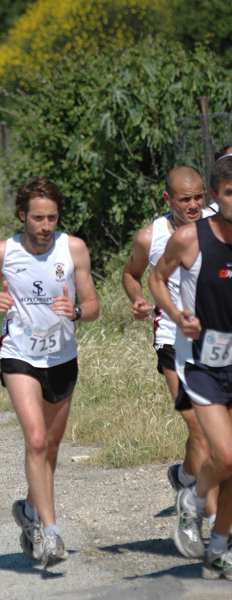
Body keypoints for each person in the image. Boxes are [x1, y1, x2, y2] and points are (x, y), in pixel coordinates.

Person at [0, 177, 99, 568]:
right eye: (38, 218)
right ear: (22, 216)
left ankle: (30, 508)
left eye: (52, 218)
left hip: (61, 357)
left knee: (50, 447)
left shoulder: (73, 248)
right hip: (19, 355)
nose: (46, 226)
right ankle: (51, 532)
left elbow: (94, 304)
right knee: (34, 439)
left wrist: (77, 311)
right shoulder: (4, 251)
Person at [149, 155, 232, 579]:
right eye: (230, 192)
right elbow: (151, 277)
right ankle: (194, 499)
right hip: (201, 361)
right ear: (219, 197)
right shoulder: (186, 238)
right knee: (224, 452)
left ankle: (218, 546)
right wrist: (177, 315)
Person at [122, 166, 218, 521]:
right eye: (184, 199)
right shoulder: (151, 237)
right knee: (200, 429)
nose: (193, 206)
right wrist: (136, 300)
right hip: (172, 339)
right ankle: (214, 530)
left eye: (198, 198)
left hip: (217, 338)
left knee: (214, 434)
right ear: (167, 198)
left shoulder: (219, 223)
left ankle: (185, 477)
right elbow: (131, 274)